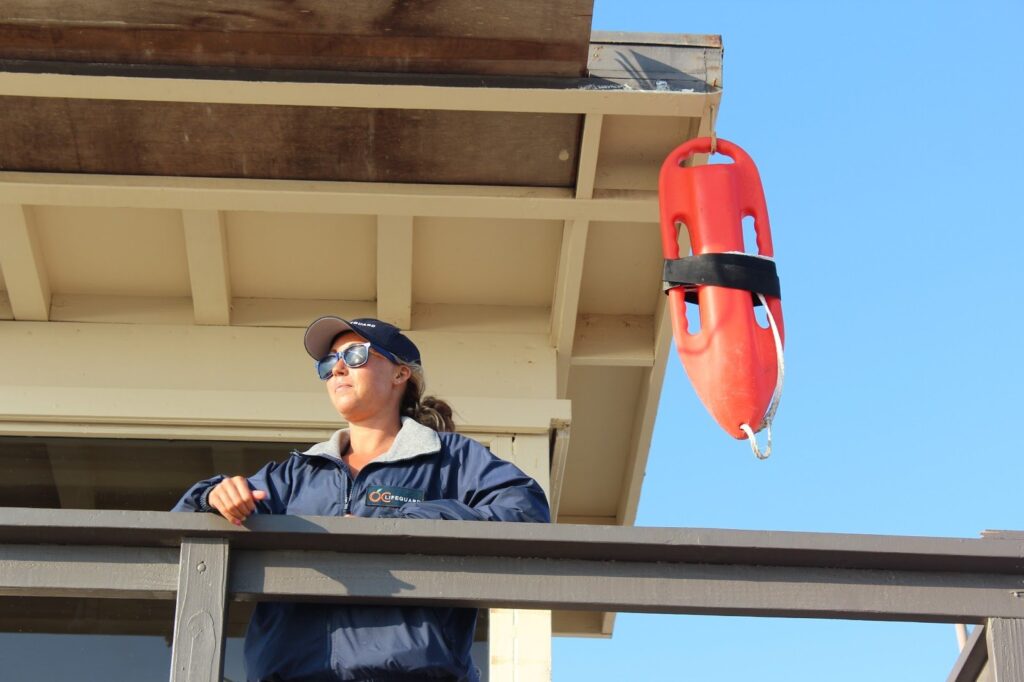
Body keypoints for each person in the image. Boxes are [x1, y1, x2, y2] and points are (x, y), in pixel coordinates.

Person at [173, 316, 550, 682]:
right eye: (328, 363)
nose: (337, 369)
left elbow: (526, 510)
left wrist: (402, 526)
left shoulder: (452, 459)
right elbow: (180, 530)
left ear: (401, 374)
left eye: (355, 355)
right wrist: (213, 496)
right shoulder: (294, 474)